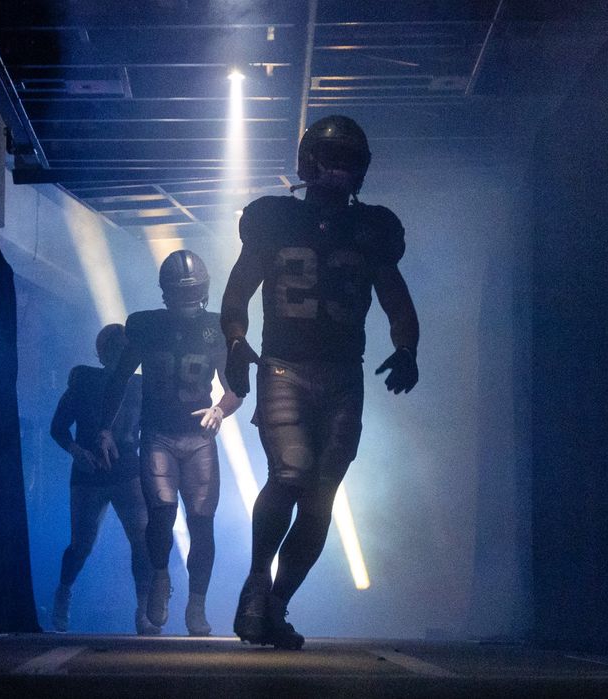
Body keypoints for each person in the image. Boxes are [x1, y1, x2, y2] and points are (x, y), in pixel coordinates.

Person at [220, 114, 420, 649]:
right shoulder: (273, 220)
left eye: (348, 164)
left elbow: (396, 300)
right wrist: (236, 341)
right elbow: (238, 292)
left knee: (320, 498)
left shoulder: (371, 230)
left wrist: (407, 347)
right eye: (330, 162)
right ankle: (257, 583)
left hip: (341, 375)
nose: (338, 173)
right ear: (308, 164)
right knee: (290, 473)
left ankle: (275, 605)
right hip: (284, 368)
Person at [98, 250, 243, 636]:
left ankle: (196, 605)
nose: (186, 300)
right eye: (181, 293)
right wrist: (104, 428)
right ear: (165, 293)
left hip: (198, 436)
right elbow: (119, 378)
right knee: (161, 516)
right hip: (159, 433)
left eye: (191, 292)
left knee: (202, 523)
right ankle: (161, 577)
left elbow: (236, 389)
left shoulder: (215, 329)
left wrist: (220, 410)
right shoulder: (146, 326)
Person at [49, 324, 158, 635]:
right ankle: (64, 592)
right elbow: (58, 427)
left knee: (142, 542)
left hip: (127, 472)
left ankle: (144, 610)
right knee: (81, 545)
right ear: (101, 352)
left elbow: (152, 426)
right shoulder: (83, 381)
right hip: (90, 473)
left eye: (122, 348)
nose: (118, 353)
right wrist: (76, 451)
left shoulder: (140, 385)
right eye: (112, 348)